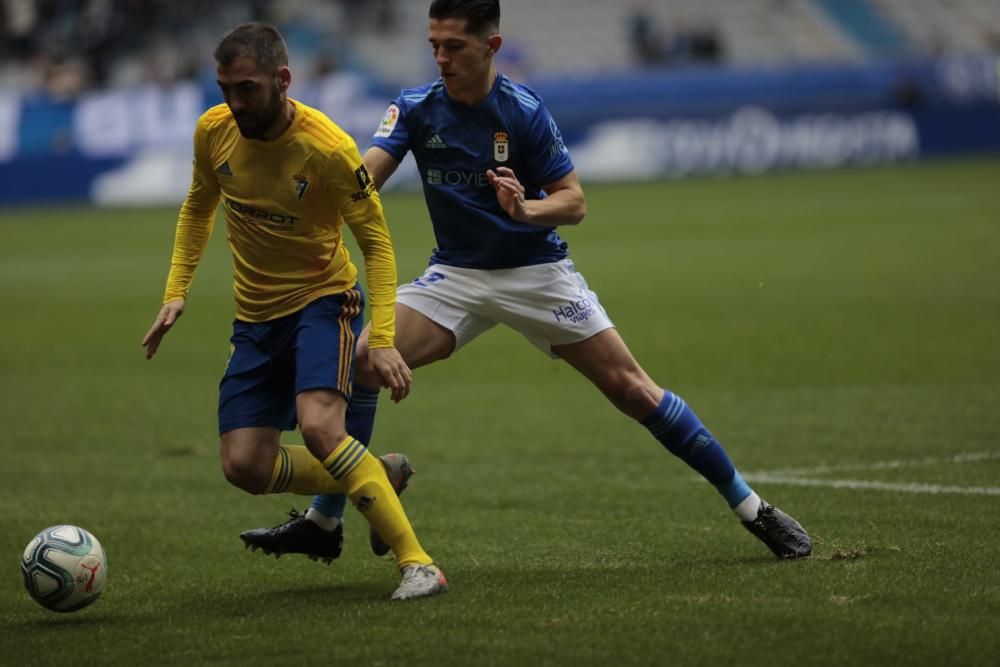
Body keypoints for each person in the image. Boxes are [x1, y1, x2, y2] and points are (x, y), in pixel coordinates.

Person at [243, 0, 811, 563]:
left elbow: (575, 202)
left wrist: (526, 212)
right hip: (457, 275)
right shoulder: (415, 109)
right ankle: (325, 520)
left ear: (491, 46)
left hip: (536, 274)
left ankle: (752, 507)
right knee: (364, 359)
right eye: (433, 45)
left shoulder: (523, 111)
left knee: (634, 390)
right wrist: (304, 183)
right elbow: (362, 180)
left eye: (454, 47)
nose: (440, 58)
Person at [140, 22, 447, 601]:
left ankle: (419, 564)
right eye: (225, 87)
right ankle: (376, 472)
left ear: (283, 79)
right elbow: (198, 206)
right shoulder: (213, 131)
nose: (234, 102)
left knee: (321, 428)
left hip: (321, 301)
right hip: (254, 320)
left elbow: (377, 245)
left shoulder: (328, 147)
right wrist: (176, 291)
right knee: (243, 466)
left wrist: (380, 335)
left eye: (248, 88)